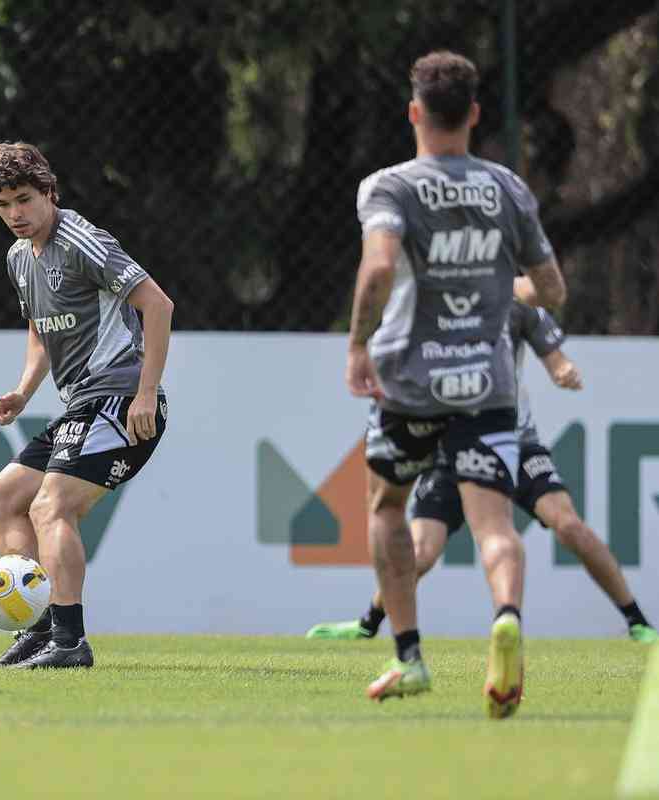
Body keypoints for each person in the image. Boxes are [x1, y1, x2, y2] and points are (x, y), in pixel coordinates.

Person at [346, 51, 566, 716]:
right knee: (494, 524)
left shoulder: (389, 186)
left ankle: (409, 656)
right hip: (490, 384)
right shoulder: (509, 188)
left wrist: (357, 343)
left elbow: (379, 270)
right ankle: (506, 617)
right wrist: (504, 291)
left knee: (388, 508)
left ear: (415, 112)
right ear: (473, 114)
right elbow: (551, 290)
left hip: (410, 383)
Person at [309, 300, 658, 643]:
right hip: (448, 453)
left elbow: (550, 334)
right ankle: (368, 624)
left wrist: (562, 368)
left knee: (567, 524)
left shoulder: (514, 308)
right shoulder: (426, 312)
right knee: (420, 551)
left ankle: (637, 622)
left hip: (515, 445)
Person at [0, 142, 174, 669]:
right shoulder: (19, 258)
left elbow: (157, 304)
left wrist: (146, 391)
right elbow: (40, 329)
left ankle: (69, 642)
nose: (16, 213)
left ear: (48, 192)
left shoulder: (80, 238)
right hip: (81, 405)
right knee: (0, 500)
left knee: (50, 507)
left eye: (24, 199)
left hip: (120, 399)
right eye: (4, 204)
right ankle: (40, 631)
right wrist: (23, 391)